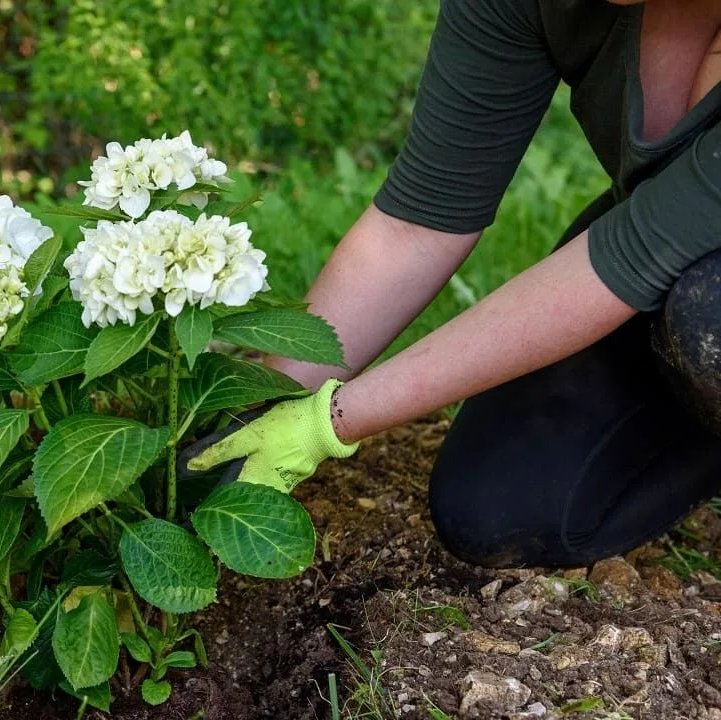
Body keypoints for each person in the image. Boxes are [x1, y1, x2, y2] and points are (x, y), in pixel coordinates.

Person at [181, 0, 721, 569]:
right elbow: (416, 224)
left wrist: (326, 423)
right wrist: (257, 400)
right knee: (498, 506)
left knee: (708, 319)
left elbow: (622, 262)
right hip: (664, 255)